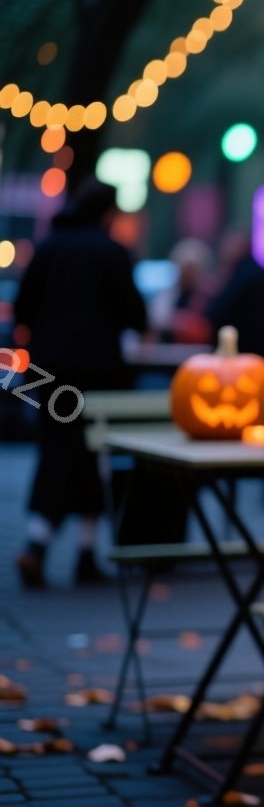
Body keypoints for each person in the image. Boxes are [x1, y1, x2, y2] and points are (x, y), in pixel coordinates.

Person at [13, 179, 148, 588]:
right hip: (100, 372)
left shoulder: (49, 246)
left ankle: (38, 542)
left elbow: (23, 308)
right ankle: (86, 554)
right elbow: (135, 315)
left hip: (49, 370)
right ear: (108, 212)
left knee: (56, 448)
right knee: (95, 455)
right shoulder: (111, 252)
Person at [205, 229, 264, 359]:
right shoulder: (258, 273)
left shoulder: (245, 277)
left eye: (228, 245)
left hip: (245, 351)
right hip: (260, 351)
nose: (224, 251)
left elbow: (222, 310)